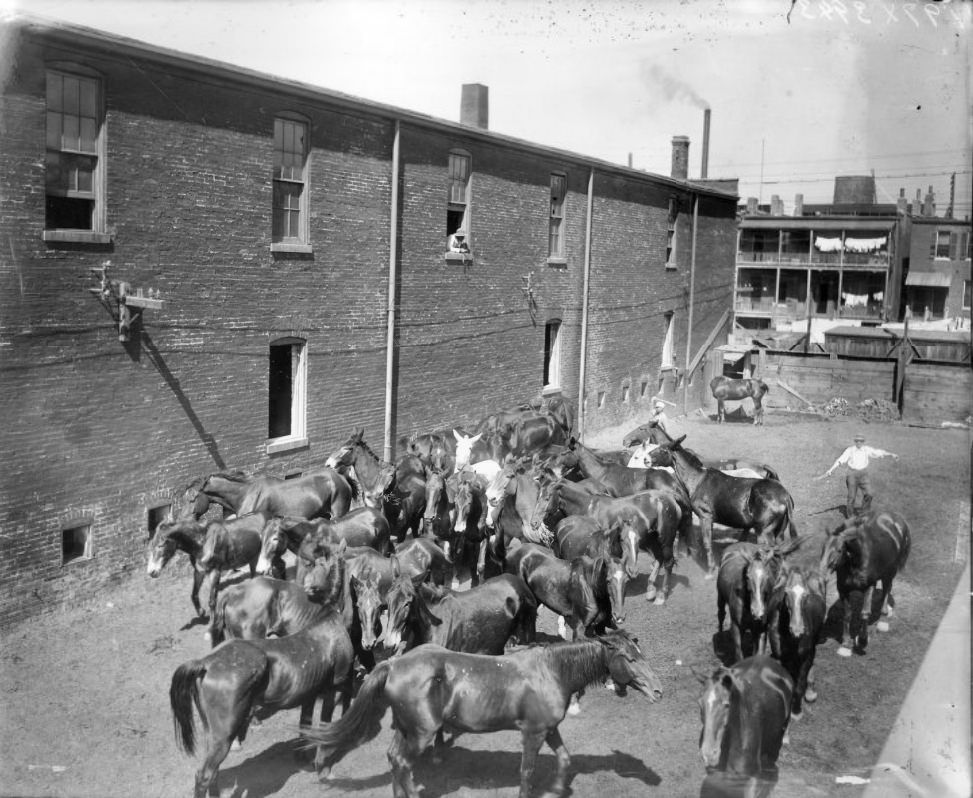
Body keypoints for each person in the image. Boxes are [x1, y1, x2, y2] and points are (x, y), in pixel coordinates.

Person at [818, 433, 898, 517]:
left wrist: (891, 454)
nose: (859, 443)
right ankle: (850, 517)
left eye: (861, 441)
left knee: (869, 494)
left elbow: (878, 453)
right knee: (852, 497)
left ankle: (864, 513)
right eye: (857, 441)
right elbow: (840, 460)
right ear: (855, 442)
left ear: (863, 442)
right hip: (852, 474)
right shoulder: (850, 450)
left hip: (863, 474)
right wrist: (830, 470)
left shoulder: (866, 449)